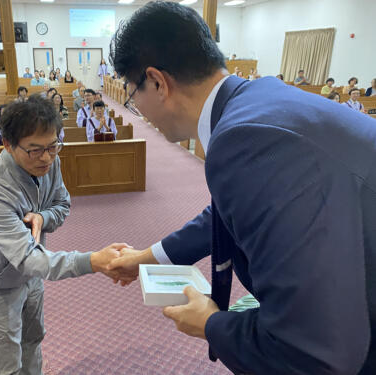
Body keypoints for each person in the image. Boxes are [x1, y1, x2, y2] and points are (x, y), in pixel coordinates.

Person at [107, 2, 376, 374]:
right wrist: (147, 258)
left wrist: (211, 325)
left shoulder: (244, 139)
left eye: (131, 92)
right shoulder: (258, 101)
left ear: (156, 81)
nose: (136, 106)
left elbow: (310, 353)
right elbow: (226, 212)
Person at [0, 95, 132, 375]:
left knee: (33, 340)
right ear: (7, 144)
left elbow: (62, 204)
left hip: (32, 276)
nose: (46, 158)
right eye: (35, 150)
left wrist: (43, 217)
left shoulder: (49, 161)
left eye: (53, 146)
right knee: (7, 364)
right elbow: (28, 259)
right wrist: (93, 261)